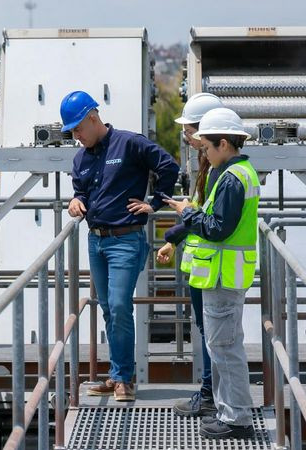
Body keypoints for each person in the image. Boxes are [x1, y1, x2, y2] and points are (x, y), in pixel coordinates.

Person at [63, 90, 179, 402]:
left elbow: (168, 166)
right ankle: (117, 374)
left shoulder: (129, 143)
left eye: (78, 129)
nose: (76, 136)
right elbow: (82, 192)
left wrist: (154, 203)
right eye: (71, 132)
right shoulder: (81, 158)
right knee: (109, 310)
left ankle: (125, 378)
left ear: (92, 116)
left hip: (126, 240)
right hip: (96, 241)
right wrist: (76, 201)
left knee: (118, 305)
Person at [166, 107, 259, 439]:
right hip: (224, 276)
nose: (203, 152)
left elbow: (217, 228)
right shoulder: (241, 173)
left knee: (225, 349)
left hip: (222, 277)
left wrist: (188, 213)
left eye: (206, 147)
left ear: (223, 143)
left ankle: (238, 420)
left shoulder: (233, 179)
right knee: (223, 347)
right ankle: (227, 413)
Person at [156, 93, 225, 417]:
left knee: (213, 336)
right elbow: (198, 211)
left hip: (214, 268)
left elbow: (204, 217)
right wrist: (173, 239)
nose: (185, 134)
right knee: (208, 333)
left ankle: (212, 397)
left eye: (189, 129)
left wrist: (183, 215)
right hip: (204, 266)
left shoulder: (216, 171)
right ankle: (210, 394)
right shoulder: (207, 166)